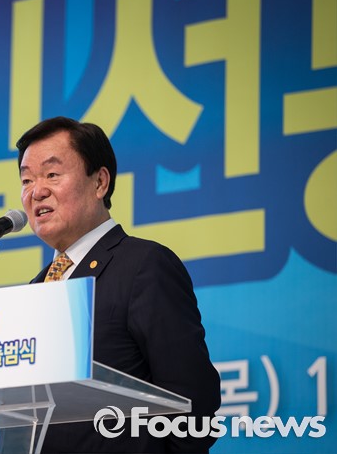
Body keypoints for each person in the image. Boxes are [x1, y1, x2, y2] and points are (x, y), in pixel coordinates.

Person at [16, 116, 221, 453]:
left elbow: (193, 402)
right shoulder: (34, 291)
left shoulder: (143, 265)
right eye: (27, 179)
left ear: (100, 182)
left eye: (52, 174)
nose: (37, 191)